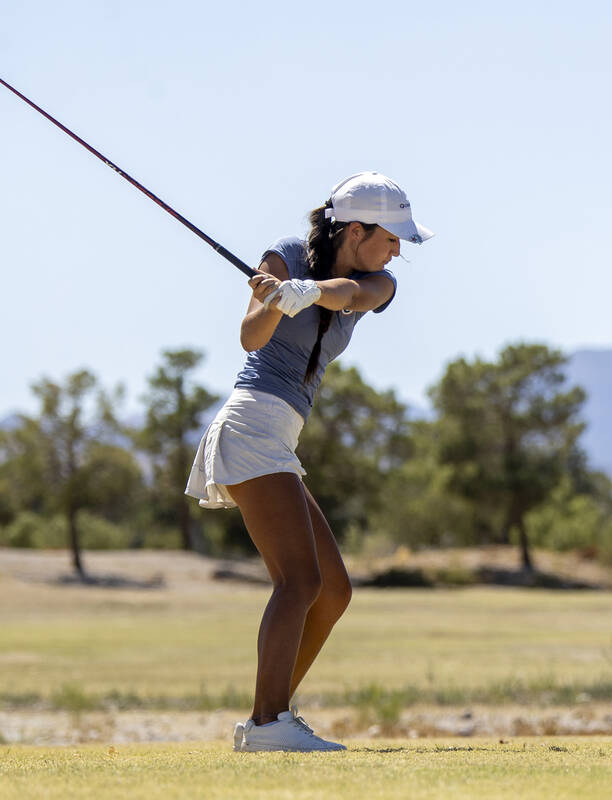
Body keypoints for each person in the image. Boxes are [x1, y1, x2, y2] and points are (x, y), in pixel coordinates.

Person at [185, 171, 432, 752]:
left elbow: (352, 295)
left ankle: (268, 717)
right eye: (391, 236)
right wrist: (275, 296)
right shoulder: (287, 256)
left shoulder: (381, 281)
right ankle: (269, 723)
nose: (397, 249)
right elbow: (251, 337)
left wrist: (311, 292)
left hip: (279, 434)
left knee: (333, 591)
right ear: (354, 229)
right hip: (251, 423)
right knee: (299, 580)